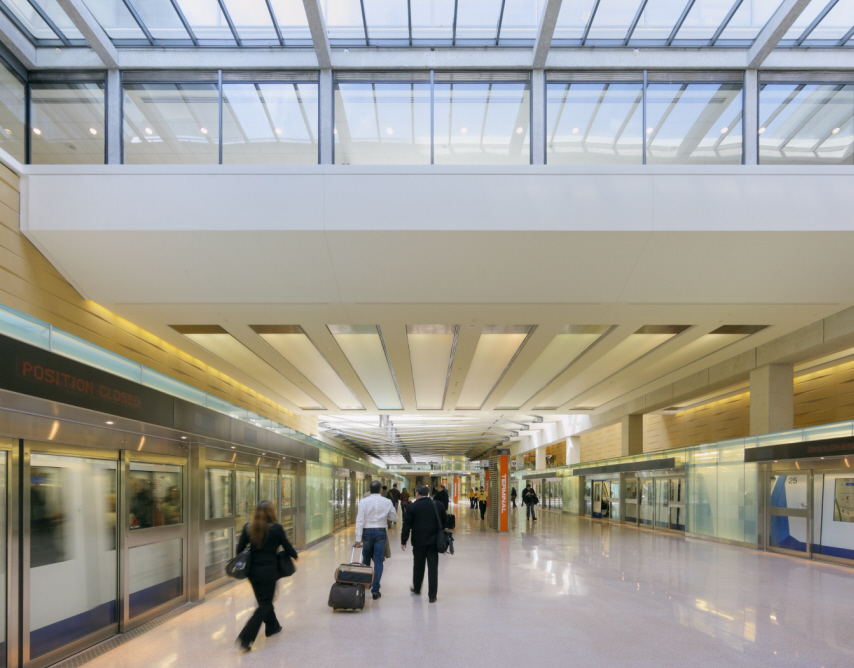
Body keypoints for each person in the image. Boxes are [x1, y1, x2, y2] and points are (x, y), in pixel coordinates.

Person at [236, 500, 298, 652]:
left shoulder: (248, 528)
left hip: (252, 572)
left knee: (263, 601)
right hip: (269, 570)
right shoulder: (276, 529)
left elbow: (239, 549)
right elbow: (287, 546)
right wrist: (294, 555)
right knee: (266, 603)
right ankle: (246, 637)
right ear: (271, 512)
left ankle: (272, 627)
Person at [400, 485, 447, 603]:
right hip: (433, 542)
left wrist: (403, 540)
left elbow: (406, 526)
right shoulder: (438, 505)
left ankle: (417, 588)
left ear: (417, 493)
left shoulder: (412, 507)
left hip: (418, 542)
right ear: (429, 493)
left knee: (418, 566)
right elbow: (445, 521)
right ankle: (432, 595)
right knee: (433, 568)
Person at [355, 480, 398, 600]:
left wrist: (358, 538)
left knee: (366, 558)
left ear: (370, 489)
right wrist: (384, 517)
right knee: (378, 561)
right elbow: (394, 517)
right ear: (380, 490)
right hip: (380, 532)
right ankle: (375, 590)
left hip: (367, 532)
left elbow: (360, 520)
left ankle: (365, 585)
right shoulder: (387, 501)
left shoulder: (364, 501)